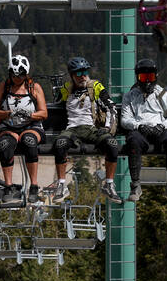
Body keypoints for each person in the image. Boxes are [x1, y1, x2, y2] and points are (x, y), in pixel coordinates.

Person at [50, 56, 123, 203]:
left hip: (91, 128)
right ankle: (62, 185)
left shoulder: (95, 86)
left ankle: (109, 185)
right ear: (72, 75)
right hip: (72, 129)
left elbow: (111, 107)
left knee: (112, 145)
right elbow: (57, 101)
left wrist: (108, 128)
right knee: (60, 144)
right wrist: (56, 90)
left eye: (85, 71)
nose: (82, 75)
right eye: (78, 73)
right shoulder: (66, 89)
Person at [120, 59, 167, 203]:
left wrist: (164, 125)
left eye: (150, 78)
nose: (147, 82)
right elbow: (125, 119)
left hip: (159, 128)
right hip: (141, 130)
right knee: (133, 142)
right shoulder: (130, 96)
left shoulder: (163, 93)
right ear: (138, 78)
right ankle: (135, 186)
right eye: (143, 78)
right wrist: (138, 126)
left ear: (155, 76)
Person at [0, 54, 48, 201]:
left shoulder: (34, 88)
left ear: (26, 74)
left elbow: (44, 113)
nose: (17, 78)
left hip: (31, 126)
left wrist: (30, 115)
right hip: (9, 126)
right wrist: (7, 114)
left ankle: (34, 186)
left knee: (29, 141)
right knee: (5, 144)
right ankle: (9, 186)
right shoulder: (4, 87)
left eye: (21, 75)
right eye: (14, 75)